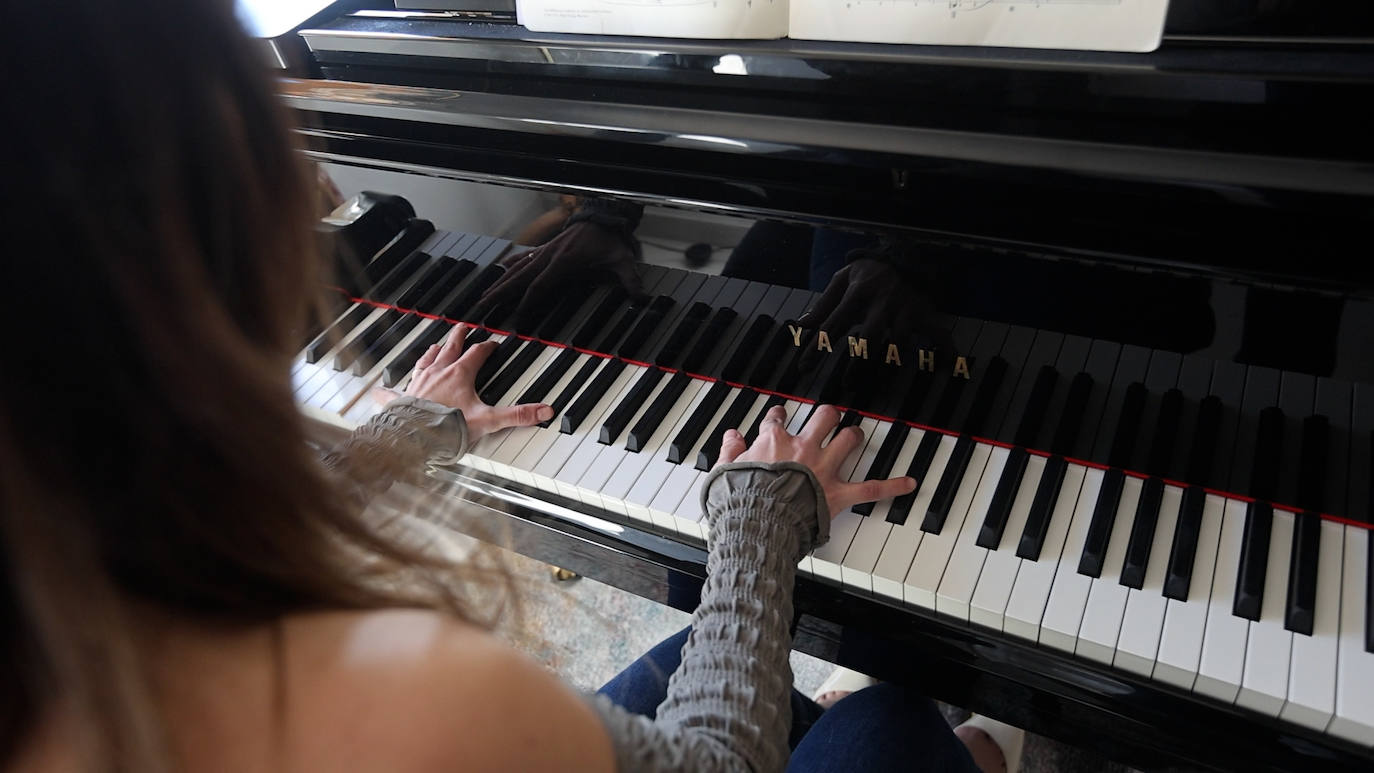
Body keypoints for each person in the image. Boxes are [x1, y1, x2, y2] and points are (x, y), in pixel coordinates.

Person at [1, 2, 1023, 772]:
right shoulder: (415, 704)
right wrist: (760, 515)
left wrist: (402, 436)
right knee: (885, 717)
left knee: (711, 653)